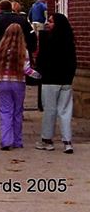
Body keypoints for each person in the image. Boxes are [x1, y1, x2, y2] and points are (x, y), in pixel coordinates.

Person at [0, 23, 40, 151]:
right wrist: (38, 75)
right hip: (18, 82)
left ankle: (6, 140)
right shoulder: (23, 50)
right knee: (17, 112)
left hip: (3, 82)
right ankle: (17, 140)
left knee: (5, 111)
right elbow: (26, 69)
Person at [35, 13, 76, 154]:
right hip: (65, 81)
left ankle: (47, 140)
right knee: (65, 112)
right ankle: (67, 141)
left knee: (50, 111)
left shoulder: (47, 39)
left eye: (51, 21)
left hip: (50, 80)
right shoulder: (69, 40)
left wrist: (39, 72)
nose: (48, 23)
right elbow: (73, 62)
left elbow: (41, 60)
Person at [0, 0, 36, 64]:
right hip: (18, 54)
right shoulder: (22, 21)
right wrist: (31, 49)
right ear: (10, 8)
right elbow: (31, 37)